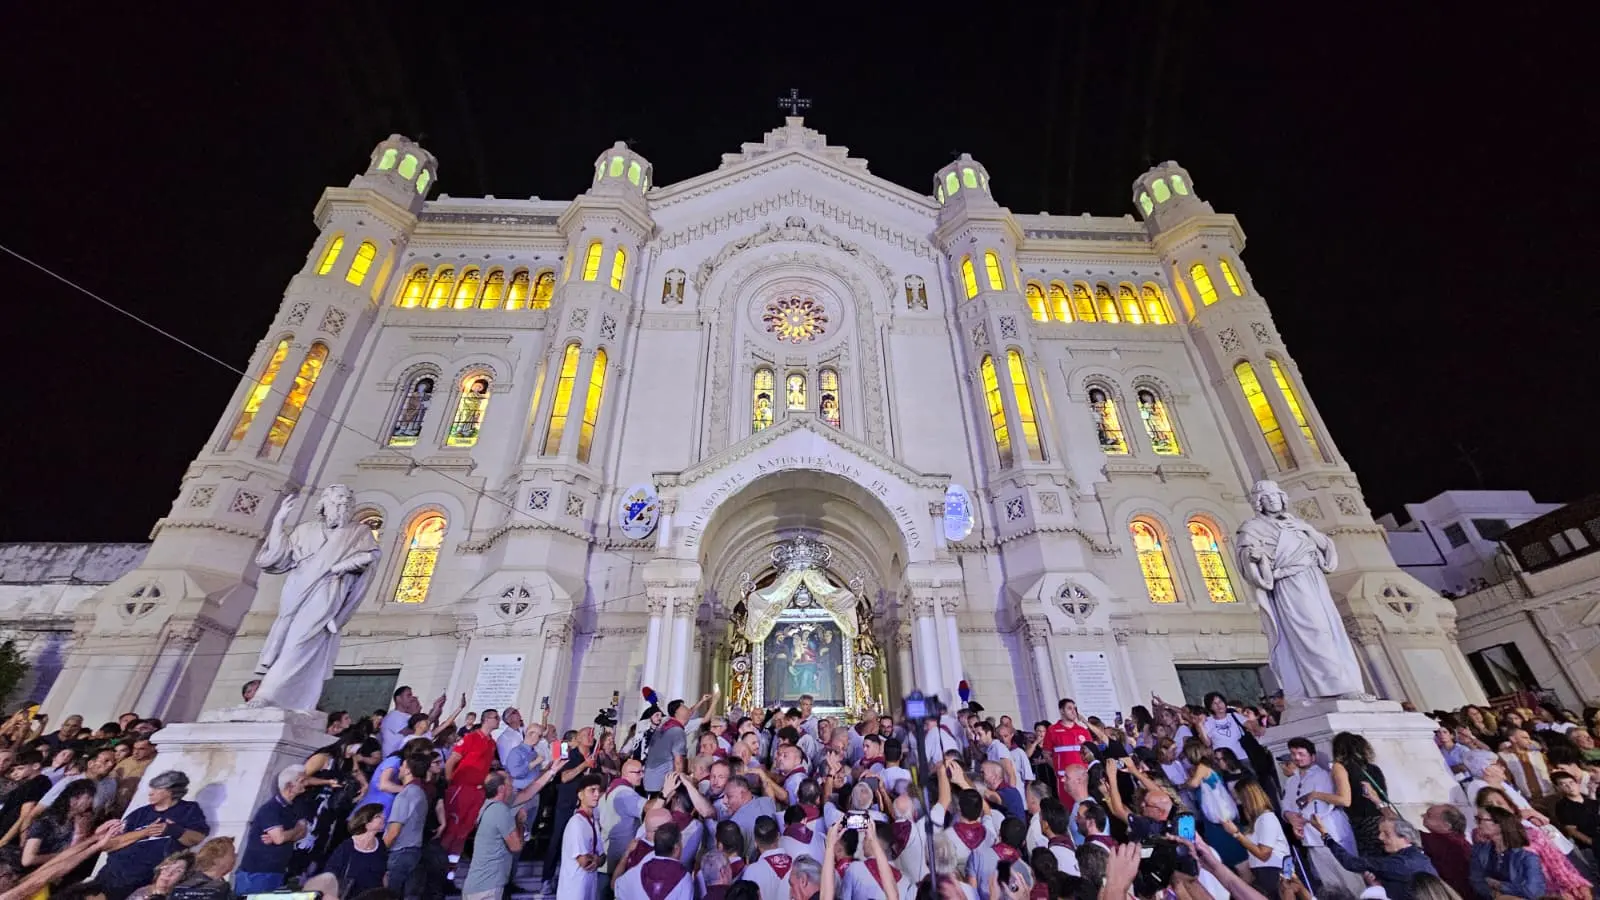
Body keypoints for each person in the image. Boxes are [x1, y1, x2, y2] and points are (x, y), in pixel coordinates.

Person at [251, 485, 381, 709]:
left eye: (346, 503)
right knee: (288, 642)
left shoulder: (358, 532)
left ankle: (267, 694)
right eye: (337, 502)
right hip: (297, 589)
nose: (342, 506)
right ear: (324, 504)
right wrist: (278, 522)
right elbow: (277, 557)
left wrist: (344, 566)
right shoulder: (305, 530)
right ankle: (291, 699)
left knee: (299, 642)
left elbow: (371, 556)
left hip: (328, 590)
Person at [1235, 479, 1366, 699]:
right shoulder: (1252, 529)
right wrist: (1255, 559)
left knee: (1330, 632)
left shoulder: (1297, 523)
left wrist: (1307, 529)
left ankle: (1347, 684)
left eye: (1276, 496)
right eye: (1267, 498)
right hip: (1289, 585)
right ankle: (1332, 688)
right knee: (1312, 632)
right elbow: (1248, 560)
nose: (1273, 501)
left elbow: (1326, 550)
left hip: (1313, 582)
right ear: (1259, 502)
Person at [99, 771, 211, 900]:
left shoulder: (188, 810)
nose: (150, 792)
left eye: (157, 789)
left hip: (144, 880)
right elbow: (109, 844)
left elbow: (197, 838)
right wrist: (145, 832)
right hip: (111, 874)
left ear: (171, 791)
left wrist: (175, 831)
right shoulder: (140, 813)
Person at [1313, 814, 1437, 900]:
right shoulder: (1420, 857)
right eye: (1380, 833)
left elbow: (1350, 863)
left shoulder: (1400, 864)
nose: (1380, 838)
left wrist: (1325, 835)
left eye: (1387, 834)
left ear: (1405, 838)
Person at [233, 764, 310, 893]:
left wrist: (286, 835)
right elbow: (280, 838)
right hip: (257, 873)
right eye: (301, 781)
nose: (305, 784)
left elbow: (302, 833)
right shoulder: (271, 809)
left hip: (276, 871)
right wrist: (293, 831)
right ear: (289, 786)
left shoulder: (294, 808)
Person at [442, 708, 499, 855]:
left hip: (478, 790)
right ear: (486, 719)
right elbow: (451, 761)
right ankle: (437, 865)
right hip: (462, 787)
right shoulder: (470, 738)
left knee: (464, 831)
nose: (498, 720)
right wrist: (450, 782)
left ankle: (451, 869)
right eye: (495, 717)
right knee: (452, 828)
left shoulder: (492, 743)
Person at [383, 755, 440, 899]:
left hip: (399, 853)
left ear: (408, 770)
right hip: (413, 852)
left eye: (402, 766)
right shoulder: (420, 792)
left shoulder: (406, 795)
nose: (399, 769)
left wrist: (381, 852)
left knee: (389, 895)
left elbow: (394, 831)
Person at [1221, 777, 1290, 894]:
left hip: (1274, 872)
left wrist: (1237, 834)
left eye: (1238, 798)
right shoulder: (1257, 820)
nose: (1237, 802)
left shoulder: (1266, 818)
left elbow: (1264, 854)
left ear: (1247, 798)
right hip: (1264, 873)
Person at [460, 773, 522, 900]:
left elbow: (528, 793)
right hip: (488, 887)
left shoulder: (487, 806)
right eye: (509, 784)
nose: (513, 788)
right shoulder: (500, 810)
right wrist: (520, 822)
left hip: (475, 885)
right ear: (501, 789)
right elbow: (516, 846)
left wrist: (552, 771)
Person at [1471, 806, 1547, 900]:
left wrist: (1499, 885)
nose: (1477, 824)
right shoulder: (1479, 850)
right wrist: (1497, 896)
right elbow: (1476, 880)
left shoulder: (1527, 856)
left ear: (1499, 824)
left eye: (1480, 819)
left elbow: (1534, 892)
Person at [324, 803, 389, 897]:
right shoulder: (347, 847)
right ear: (366, 822)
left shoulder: (380, 846)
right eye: (378, 816)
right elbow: (330, 874)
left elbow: (383, 875)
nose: (384, 817)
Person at [613, 822, 692, 900]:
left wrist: (626, 853)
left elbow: (614, 886)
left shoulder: (639, 869)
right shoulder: (684, 877)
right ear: (676, 848)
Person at [557, 774, 605, 900]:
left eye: (598, 791)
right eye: (592, 790)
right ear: (580, 795)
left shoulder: (593, 821)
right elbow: (585, 861)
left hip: (588, 889)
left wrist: (597, 859)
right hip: (573, 892)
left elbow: (603, 857)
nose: (596, 794)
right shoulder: (576, 823)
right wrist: (596, 859)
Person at [1421, 803, 1475, 900]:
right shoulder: (1460, 842)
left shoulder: (1449, 843)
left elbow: (1408, 834)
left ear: (1446, 825)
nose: (1423, 816)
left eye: (1429, 815)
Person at [166, 836, 236, 900]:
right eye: (232, 853)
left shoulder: (178, 887)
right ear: (218, 858)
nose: (235, 857)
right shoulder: (219, 889)